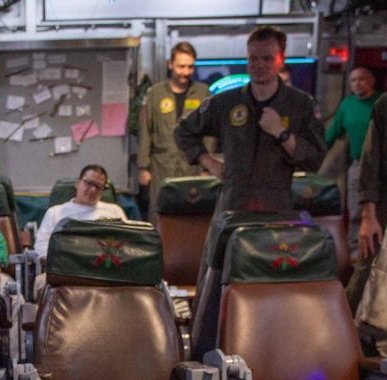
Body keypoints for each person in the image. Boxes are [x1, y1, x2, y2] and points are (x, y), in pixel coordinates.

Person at [174, 25, 327, 213]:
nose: (259, 65)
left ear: (281, 60)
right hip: (232, 206)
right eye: (253, 58)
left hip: (276, 208)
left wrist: (282, 133)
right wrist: (209, 162)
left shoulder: (301, 105)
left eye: (267, 58)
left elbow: (315, 159)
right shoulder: (226, 102)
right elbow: (183, 130)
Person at [138, 41, 211, 224]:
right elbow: (146, 130)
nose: (185, 72)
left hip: (192, 164)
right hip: (161, 165)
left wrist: (206, 166)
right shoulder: (155, 94)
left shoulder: (203, 93)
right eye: (181, 66)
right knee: (160, 212)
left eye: (190, 67)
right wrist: (143, 167)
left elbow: (209, 132)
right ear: (170, 64)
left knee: (192, 213)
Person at [32, 165, 127, 298]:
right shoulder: (56, 212)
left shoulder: (114, 211)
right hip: (64, 271)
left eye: (98, 186)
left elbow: (125, 243)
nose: (93, 190)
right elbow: (41, 246)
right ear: (78, 183)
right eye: (89, 183)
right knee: (42, 284)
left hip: (105, 271)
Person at [325, 65, 381, 260]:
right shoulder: (347, 105)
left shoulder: (381, 103)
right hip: (358, 167)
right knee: (356, 214)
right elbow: (330, 136)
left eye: (362, 79)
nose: (357, 84)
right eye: (353, 80)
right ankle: (355, 261)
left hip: (382, 169)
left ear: (372, 80)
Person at [352, 94, 387, 328]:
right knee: (367, 269)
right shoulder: (384, 105)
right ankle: (343, 338)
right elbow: (370, 161)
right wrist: (368, 216)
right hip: (383, 203)